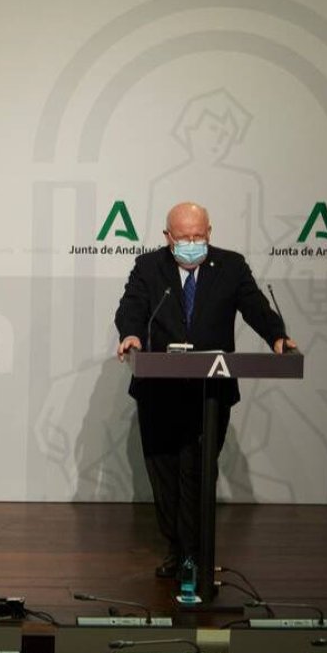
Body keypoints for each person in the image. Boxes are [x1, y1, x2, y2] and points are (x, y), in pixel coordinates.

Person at [114, 202, 295, 578]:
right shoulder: (150, 267)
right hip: (158, 393)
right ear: (168, 238)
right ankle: (178, 551)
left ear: (209, 232)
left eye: (199, 236)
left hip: (209, 395)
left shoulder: (231, 266)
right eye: (183, 238)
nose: (192, 243)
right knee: (164, 476)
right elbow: (131, 307)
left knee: (197, 472)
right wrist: (130, 334)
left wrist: (276, 335)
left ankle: (193, 556)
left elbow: (255, 306)